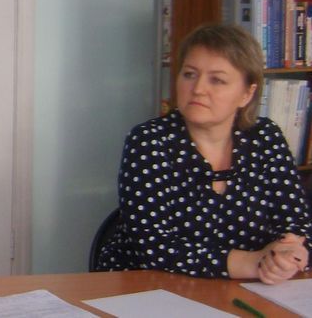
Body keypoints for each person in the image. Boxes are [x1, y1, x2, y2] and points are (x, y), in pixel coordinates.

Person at [98, 23, 312, 284]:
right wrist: (252, 262)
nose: (198, 88)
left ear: (247, 93)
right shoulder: (149, 141)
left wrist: (290, 253)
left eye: (217, 80)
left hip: (248, 288)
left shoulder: (265, 137)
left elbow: (296, 221)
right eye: (189, 74)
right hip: (151, 288)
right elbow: (153, 246)